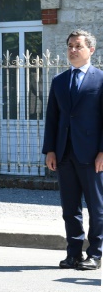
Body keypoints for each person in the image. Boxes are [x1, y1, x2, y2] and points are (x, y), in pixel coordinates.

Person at [43, 29, 103, 271]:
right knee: (70, 208)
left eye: (78, 46)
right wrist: (50, 150)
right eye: (69, 46)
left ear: (91, 50)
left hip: (92, 155)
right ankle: (74, 253)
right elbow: (52, 119)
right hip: (64, 153)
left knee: (97, 207)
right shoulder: (59, 81)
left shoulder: (100, 79)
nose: (72, 50)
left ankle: (96, 254)